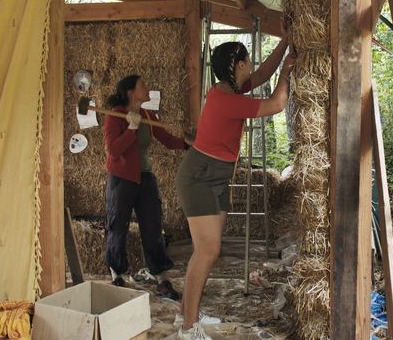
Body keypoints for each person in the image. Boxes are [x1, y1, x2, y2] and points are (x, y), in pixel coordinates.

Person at [174, 37, 294, 340]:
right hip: (199, 175)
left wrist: (286, 44)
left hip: (218, 175)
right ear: (238, 65)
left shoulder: (231, 89)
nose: (251, 66)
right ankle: (189, 329)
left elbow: (264, 74)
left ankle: (186, 314)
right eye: (247, 61)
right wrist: (289, 69)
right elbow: (278, 103)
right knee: (208, 249)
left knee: (207, 251)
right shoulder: (226, 98)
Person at [104, 74, 189, 300]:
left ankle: (161, 278)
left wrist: (189, 144)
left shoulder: (148, 115)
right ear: (132, 92)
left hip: (145, 178)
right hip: (121, 179)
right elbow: (114, 150)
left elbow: (167, 139)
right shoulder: (115, 116)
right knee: (118, 227)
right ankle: (117, 273)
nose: (148, 87)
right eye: (143, 85)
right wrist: (131, 128)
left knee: (153, 228)